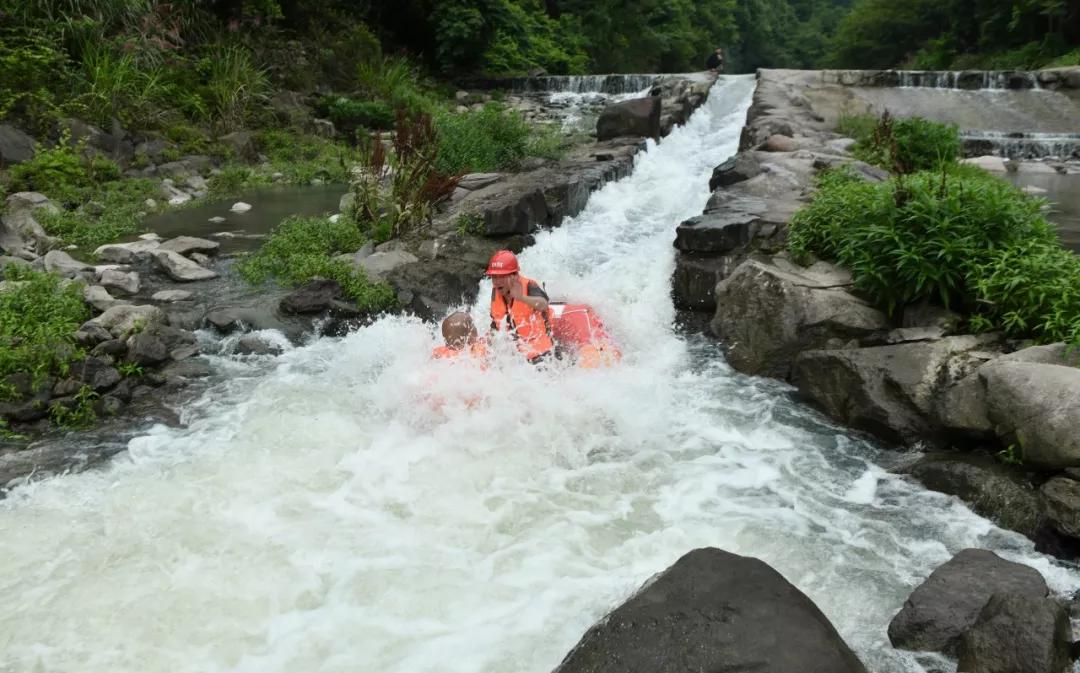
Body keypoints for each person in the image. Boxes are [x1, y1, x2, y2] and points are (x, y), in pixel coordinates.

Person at [486, 250, 555, 364]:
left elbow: (543, 304)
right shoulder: (496, 292)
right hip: (516, 356)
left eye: (501, 277)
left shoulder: (529, 286)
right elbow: (495, 324)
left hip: (541, 354)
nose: (497, 282)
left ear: (514, 275)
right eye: (494, 277)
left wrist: (522, 298)